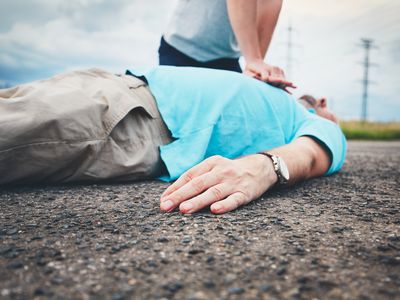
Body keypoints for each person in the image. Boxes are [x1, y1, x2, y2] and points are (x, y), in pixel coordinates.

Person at [0, 66, 347, 214]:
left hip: (135, 121)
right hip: (118, 83)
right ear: (324, 103)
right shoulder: (278, 95)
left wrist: (264, 167)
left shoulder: (313, 122)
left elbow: (311, 153)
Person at [159, 0, 294, 91]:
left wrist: (256, 69)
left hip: (226, 59)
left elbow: (270, 2)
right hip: (182, 49)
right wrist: (253, 59)